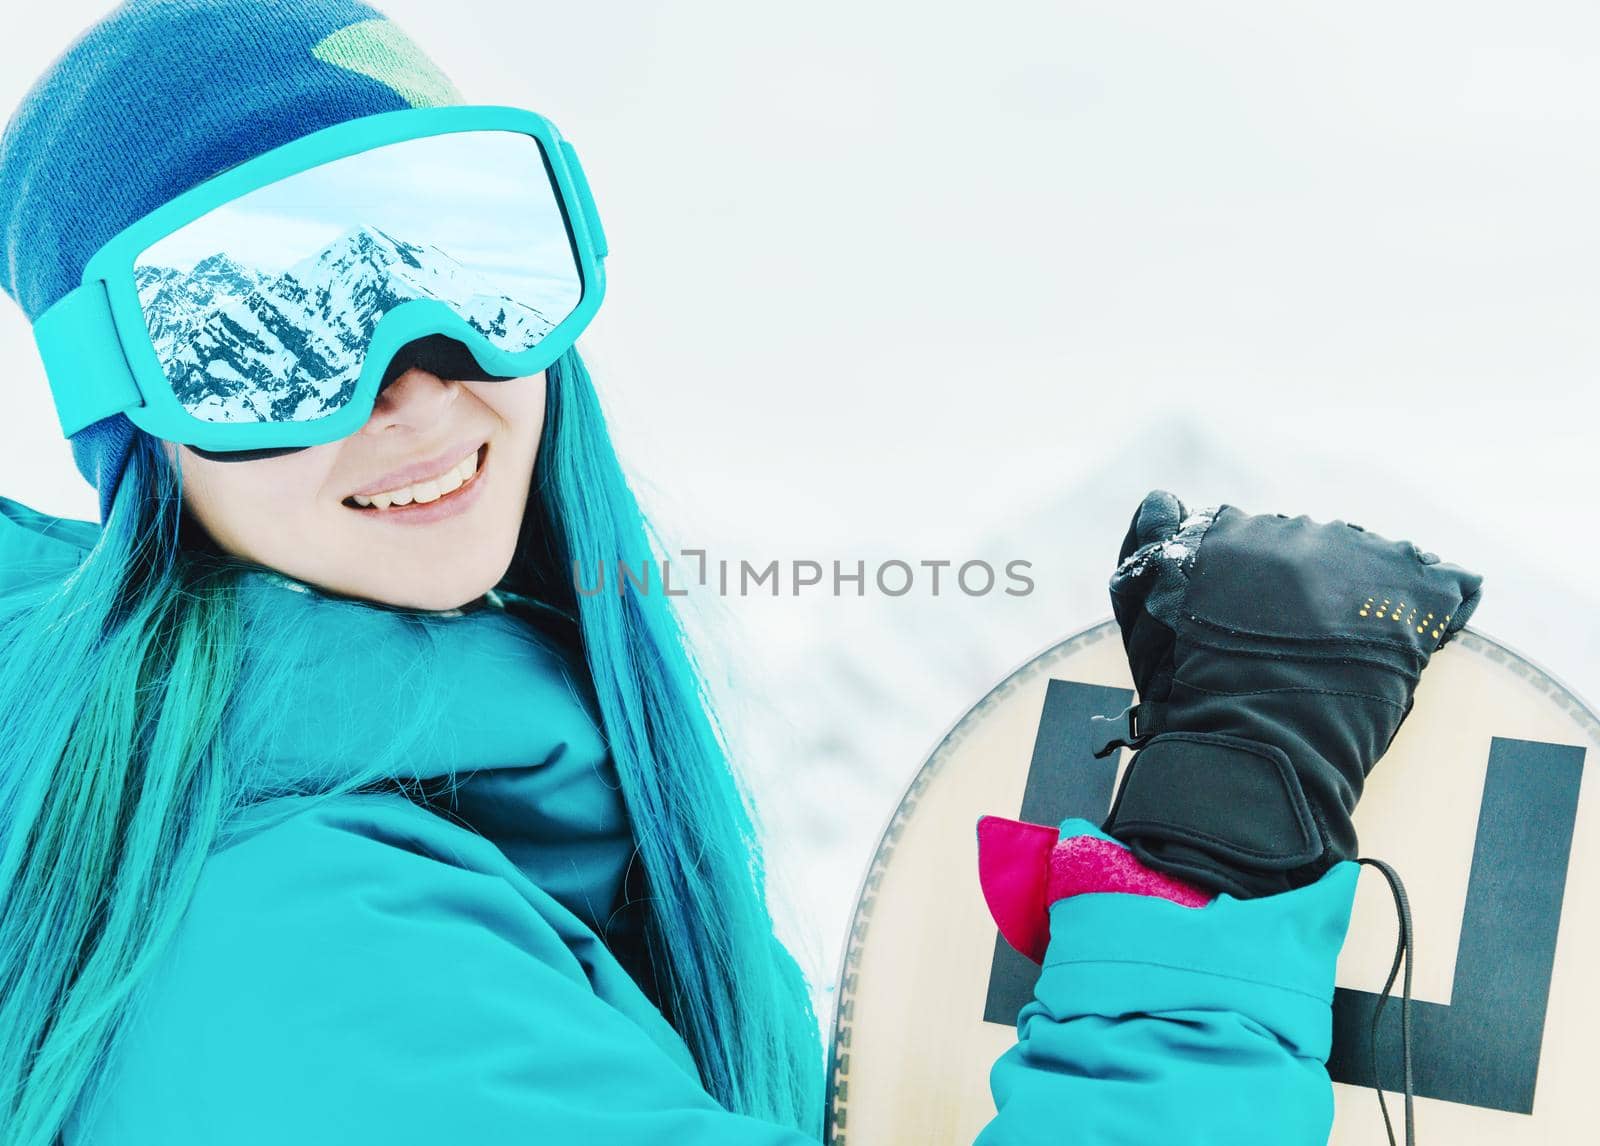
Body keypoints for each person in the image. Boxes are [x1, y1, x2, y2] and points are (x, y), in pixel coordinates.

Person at [0, 3, 1482, 1145]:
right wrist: (1212, 854)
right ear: (125, 410)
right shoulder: (298, 951)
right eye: (265, 333)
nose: (422, 381)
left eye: (470, 258)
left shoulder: (410, 816)